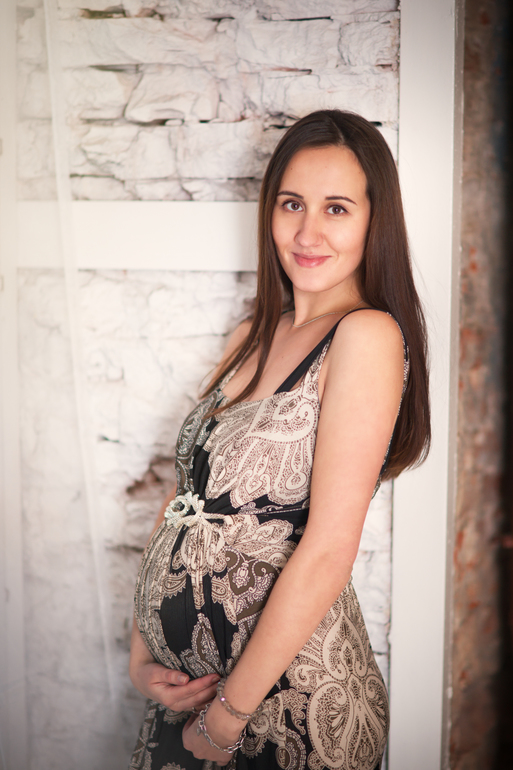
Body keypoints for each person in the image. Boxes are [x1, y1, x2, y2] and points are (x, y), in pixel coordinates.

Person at [128, 109, 430, 770]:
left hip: (284, 709)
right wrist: (142, 655)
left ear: (374, 221)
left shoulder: (365, 335)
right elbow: (185, 498)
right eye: (292, 204)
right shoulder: (250, 337)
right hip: (188, 698)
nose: (307, 232)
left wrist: (226, 720)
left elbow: (327, 549)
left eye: (336, 209)